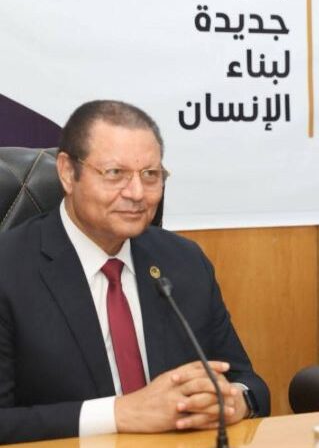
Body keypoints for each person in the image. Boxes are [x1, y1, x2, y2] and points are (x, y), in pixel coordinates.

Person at [0, 100, 269, 444]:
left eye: (150, 175)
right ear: (67, 172)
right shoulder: (9, 269)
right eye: (115, 173)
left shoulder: (184, 261)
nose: (137, 193)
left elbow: (250, 383)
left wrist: (234, 402)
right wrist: (119, 413)